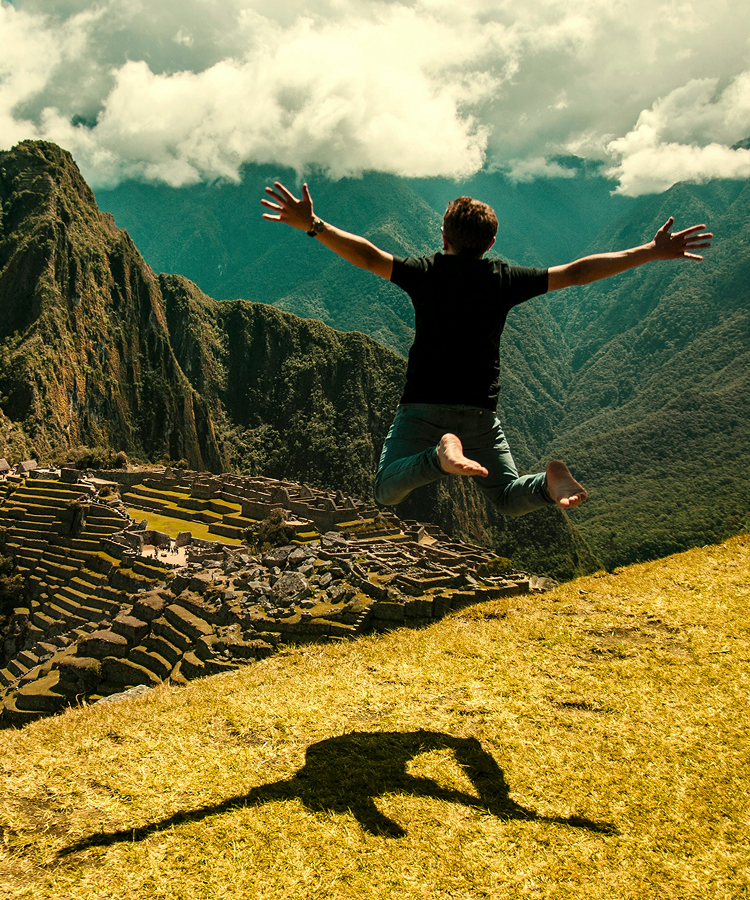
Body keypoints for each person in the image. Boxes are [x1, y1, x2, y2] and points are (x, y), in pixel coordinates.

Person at [261, 182, 711, 516]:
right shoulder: (504, 280)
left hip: (422, 409)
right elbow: (577, 272)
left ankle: (439, 457)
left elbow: (368, 255)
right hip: (479, 412)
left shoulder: (426, 273)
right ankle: (549, 479)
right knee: (508, 498)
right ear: (491, 242)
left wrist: (314, 225)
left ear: (443, 236)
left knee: (384, 488)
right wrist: (650, 252)